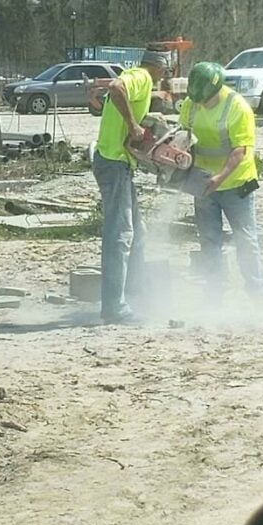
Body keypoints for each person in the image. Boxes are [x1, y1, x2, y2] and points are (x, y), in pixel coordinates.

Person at [92, 48, 168, 325]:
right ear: (158, 69)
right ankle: (114, 307)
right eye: (164, 74)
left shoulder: (142, 82)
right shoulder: (141, 77)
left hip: (117, 162)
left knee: (137, 232)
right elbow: (115, 87)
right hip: (114, 164)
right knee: (120, 234)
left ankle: (136, 293)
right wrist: (134, 125)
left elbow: (110, 96)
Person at [179, 61, 263, 297]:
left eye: (205, 99)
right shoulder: (191, 103)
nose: (201, 104)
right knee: (208, 239)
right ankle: (215, 290)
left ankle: (256, 292)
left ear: (215, 90)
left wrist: (220, 177)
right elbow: (184, 137)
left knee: (245, 239)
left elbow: (240, 150)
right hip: (203, 183)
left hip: (237, 184)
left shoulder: (238, 107)